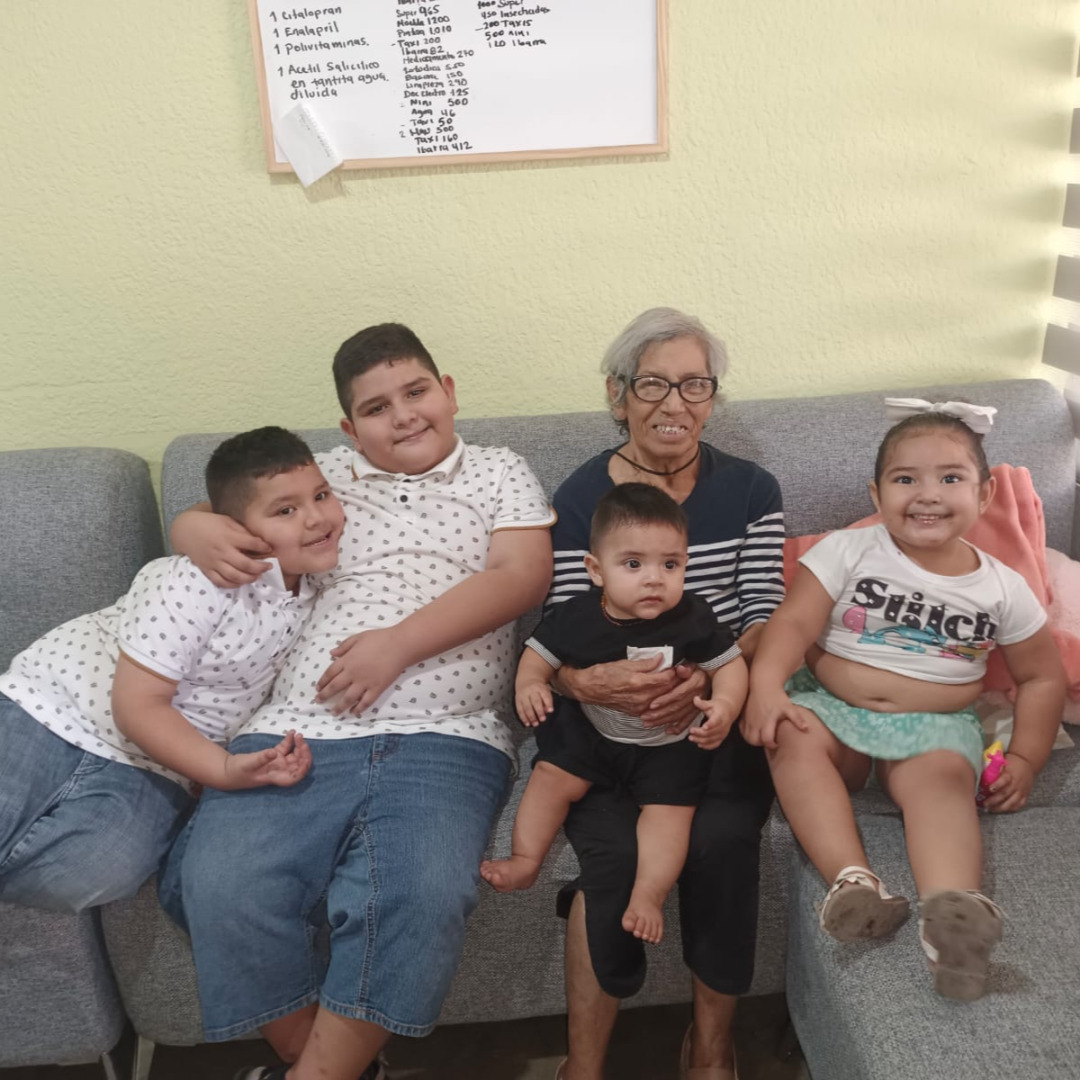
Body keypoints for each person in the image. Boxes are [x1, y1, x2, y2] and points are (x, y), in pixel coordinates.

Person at [166, 323, 555, 1080]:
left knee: (420, 893)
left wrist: (398, 645)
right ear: (349, 429)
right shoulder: (324, 480)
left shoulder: (499, 470)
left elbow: (521, 576)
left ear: (449, 393)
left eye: (416, 392)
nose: (403, 415)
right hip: (297, 726)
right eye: (377, 408)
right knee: (214, 882)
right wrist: (189, 527)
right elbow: (217, 515)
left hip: (450, 734)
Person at [743, 399, 1066, 1001]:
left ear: (986, 494)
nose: (928, 495)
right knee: (790, 733)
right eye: (905, 479)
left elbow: (1042, 677)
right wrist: (764, 687)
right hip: (834, 712)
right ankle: (853, 881)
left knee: (943, 784)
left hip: (932, 728)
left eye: (951, 478)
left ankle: (952, 920)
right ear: (877, 494)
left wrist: (1026, 757)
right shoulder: (847, 550)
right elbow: (791, 624)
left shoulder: (1003, 587)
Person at [547, 308, 785, 1080]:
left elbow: (763, 614)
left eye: (694, 384)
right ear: (617, 394)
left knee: (722, 841)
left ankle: (709, 1048)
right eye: (652, 384)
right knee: (611, 856)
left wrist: (706, 680)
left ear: (712, 397)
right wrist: (581, 681)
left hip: (711, 711)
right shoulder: (581, 497)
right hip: (603, 726)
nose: (674, 403)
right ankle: (584, 1067)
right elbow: (558, 624)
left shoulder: (749, 489)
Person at [0, 426, 338, 913]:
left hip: (155, 767)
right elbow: (138, 706)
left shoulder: (316, 593)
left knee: (92, 874)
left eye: (322, 496)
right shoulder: (196, 579)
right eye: (286, 510)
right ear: (236, 528)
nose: (316, 517)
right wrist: (223, 770)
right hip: (52, 707)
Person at [481, 483, 749, 946]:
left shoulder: (693, 616)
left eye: (670, 564)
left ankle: (648, 895)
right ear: (596, 570)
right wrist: (530, 684)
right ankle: (525, 860)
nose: (654, 579)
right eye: (633, 564)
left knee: (670, 815)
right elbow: (538, 655)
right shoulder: (577, 616)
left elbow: (729, 665)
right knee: (550, 775)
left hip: (667, 743)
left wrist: (724, 705)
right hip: (594, 733)